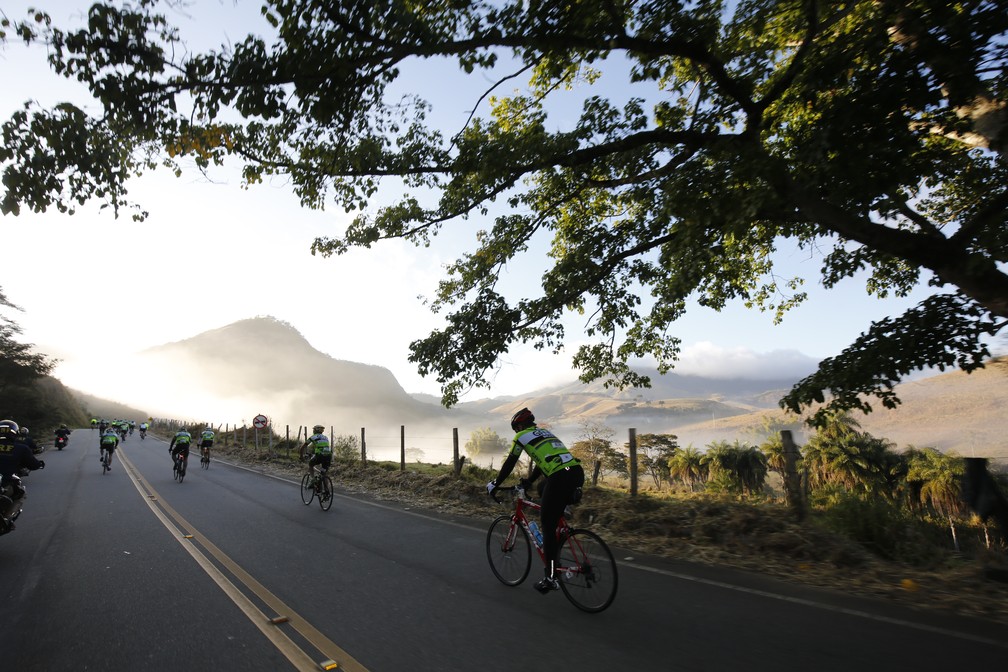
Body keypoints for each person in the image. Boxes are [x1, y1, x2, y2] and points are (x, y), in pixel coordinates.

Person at [486, 408, 585, 594]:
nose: (517, 433)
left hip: (560, 478)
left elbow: (510, 462)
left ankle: (550, 577)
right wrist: (529, 482)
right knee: (542, 488)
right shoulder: (545, 433)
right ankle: (563, 511)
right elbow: (543, 463)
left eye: (516, 429)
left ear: (520, 426)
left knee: (547, 525)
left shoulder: (522, 436)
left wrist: (495, 483)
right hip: (576, 473)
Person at [1, 420, 45, 532]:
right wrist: (39, 464)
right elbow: (34, 465)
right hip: (5, 484)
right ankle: (6, 519)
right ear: (14, 432)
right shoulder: (21, 448)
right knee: (21, 493)